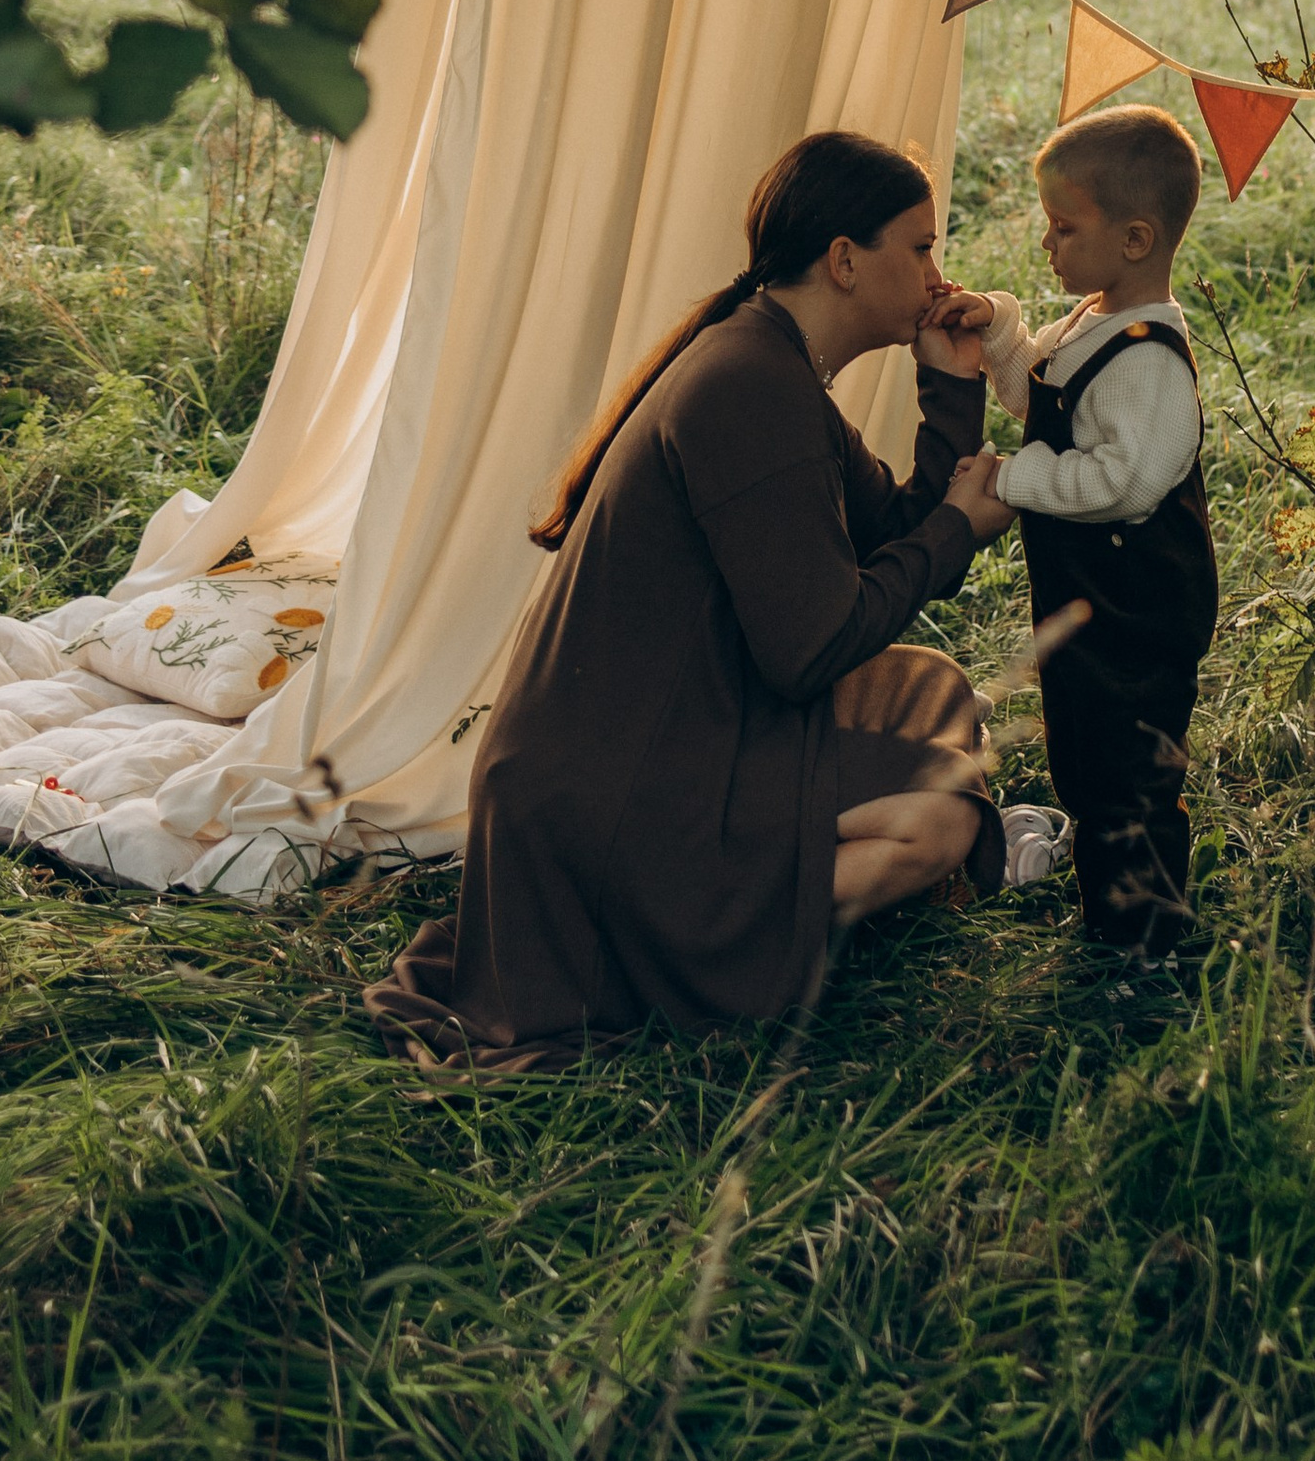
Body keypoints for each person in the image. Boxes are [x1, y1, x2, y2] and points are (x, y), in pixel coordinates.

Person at [367, 131, 1017, 1074]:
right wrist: (959, 529)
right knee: (946, 818)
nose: (936, 273)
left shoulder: (774, 362)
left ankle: (756, 891)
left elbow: (891, 534)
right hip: (616, 794)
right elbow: (815, 646)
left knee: (929, 685)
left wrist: (949, 390)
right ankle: (708, 940)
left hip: (676, 735)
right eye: (918, 247)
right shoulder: (751, 386)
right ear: (844, 260)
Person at [967, 105, 1217, 959]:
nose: (1048, 246)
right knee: (1083, 750)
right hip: (1090, 607)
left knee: (1130, 772)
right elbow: (1039, 402)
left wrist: (1011, 478)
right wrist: (998, 335)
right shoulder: (1092, 322)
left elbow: (1123, 481)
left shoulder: (1149, 362)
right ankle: (1107, 901)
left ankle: (1146, 941)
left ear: (1137, 238)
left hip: (1139, 616)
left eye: (1064, 228)